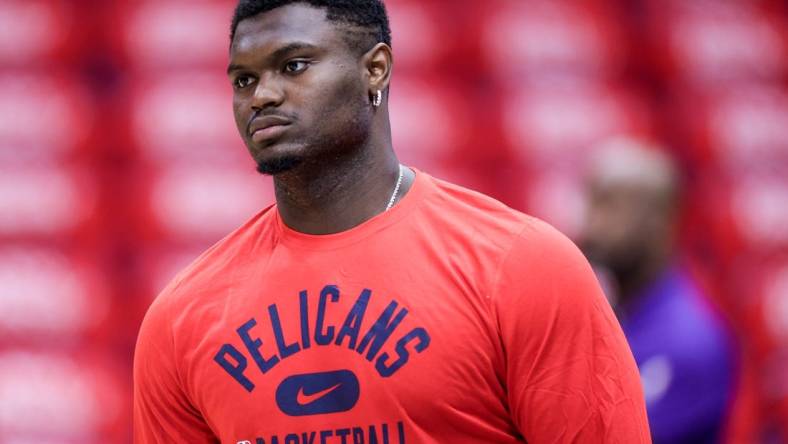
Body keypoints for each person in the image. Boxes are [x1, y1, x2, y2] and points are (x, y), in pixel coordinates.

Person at [133, 1, 650, 442]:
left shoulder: (523, 267)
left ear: (374, 69)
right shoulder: (181, 319)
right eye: (244, 79)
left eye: (293, 66)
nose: (261, 96)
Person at [580, 139, 738, 444]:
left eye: (613, 208)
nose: (593, 225)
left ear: (661, 222)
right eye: (592, 204)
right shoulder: (616, 310)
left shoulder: (688, 341)